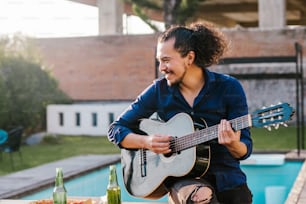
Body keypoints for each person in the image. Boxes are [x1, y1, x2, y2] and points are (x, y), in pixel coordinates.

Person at [108, 21, 253, 204]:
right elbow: (116, 129)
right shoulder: (158, 91)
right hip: (183, 182)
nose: (161, 68)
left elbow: (244, 149)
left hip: (227, 179)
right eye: (160, 61)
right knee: (200, 197)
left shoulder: (228, 88)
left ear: (189, 58)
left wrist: (233, 144)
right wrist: (147, 142)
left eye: (166, 60)